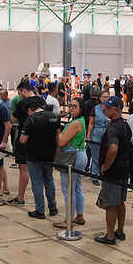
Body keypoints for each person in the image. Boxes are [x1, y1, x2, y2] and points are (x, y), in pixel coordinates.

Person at [93, 96, 132, 244]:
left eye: (108, 108)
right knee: (120, 202)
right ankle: (120, 231)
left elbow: (113, 148)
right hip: (124, 169)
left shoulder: (113, 128)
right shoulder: (125, 125)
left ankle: (109, 236)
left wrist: (105, 166)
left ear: (116, 110)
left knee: (110, 204)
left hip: (114, 171)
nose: (105, 110)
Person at [20, 97, 61, 219]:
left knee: (37, 183)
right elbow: (58, 135)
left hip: (34, 156)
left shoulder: (31, 119)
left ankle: (40, 210)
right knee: (49, 180)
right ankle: (53, 208)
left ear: (30, 109)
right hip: (50, 154)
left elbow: (23, 140)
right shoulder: (53, 116)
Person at [54, 97, 87, 229]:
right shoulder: (80, 121)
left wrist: (57, 130)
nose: (71, 108)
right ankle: (79, 216)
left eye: (74, 106)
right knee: (77, 187)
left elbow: (61, 142)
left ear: (81, 108)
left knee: (68, 190)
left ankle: (68, 220)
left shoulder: (75, 123)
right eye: (70, 105)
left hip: (72, 158)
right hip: (79, 155)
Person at [7, 82, 34, 205]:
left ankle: (21, 197)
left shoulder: (22, 103)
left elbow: (14, 119)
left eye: (19, 92)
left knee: (23, 168)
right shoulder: (42, 101)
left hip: (24, 138)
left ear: (23, 91)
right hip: (38, 140)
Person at [87, 92, 111, 184]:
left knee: (105, 156)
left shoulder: (110, 109)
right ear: (100, 98)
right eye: (104, 97)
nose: (106, 99)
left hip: (108, 134)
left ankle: (102, 173)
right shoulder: (95, 109)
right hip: (96, 133)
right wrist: (88, 136)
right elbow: (91, 123)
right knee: (96, 156)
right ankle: (95, 175)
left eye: (107, 97)